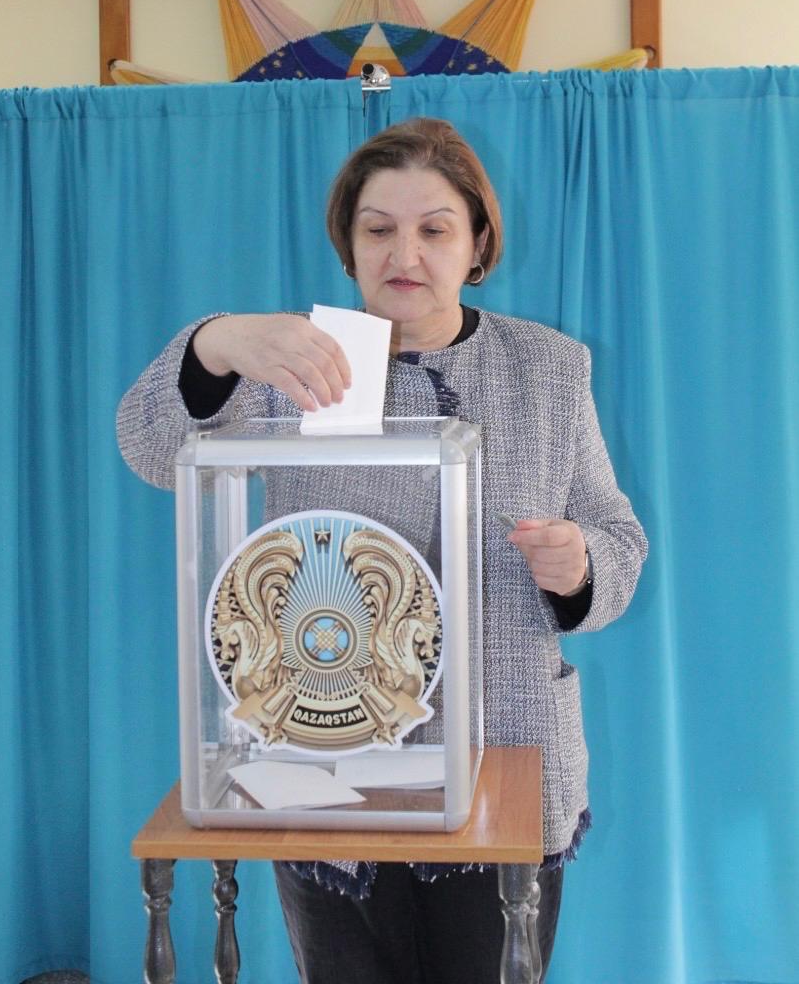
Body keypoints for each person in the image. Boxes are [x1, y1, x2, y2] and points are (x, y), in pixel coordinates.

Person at [117, 117, 647, 984]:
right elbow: (148, 447)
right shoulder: (293, 359)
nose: (405, 253)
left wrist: (580, 565)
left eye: (434, 229)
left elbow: (618, 538)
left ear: (477, 245)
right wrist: (216, 342)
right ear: (348, 244)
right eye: (378, 229)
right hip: (323, 754)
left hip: (503, 753)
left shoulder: (551, 368)